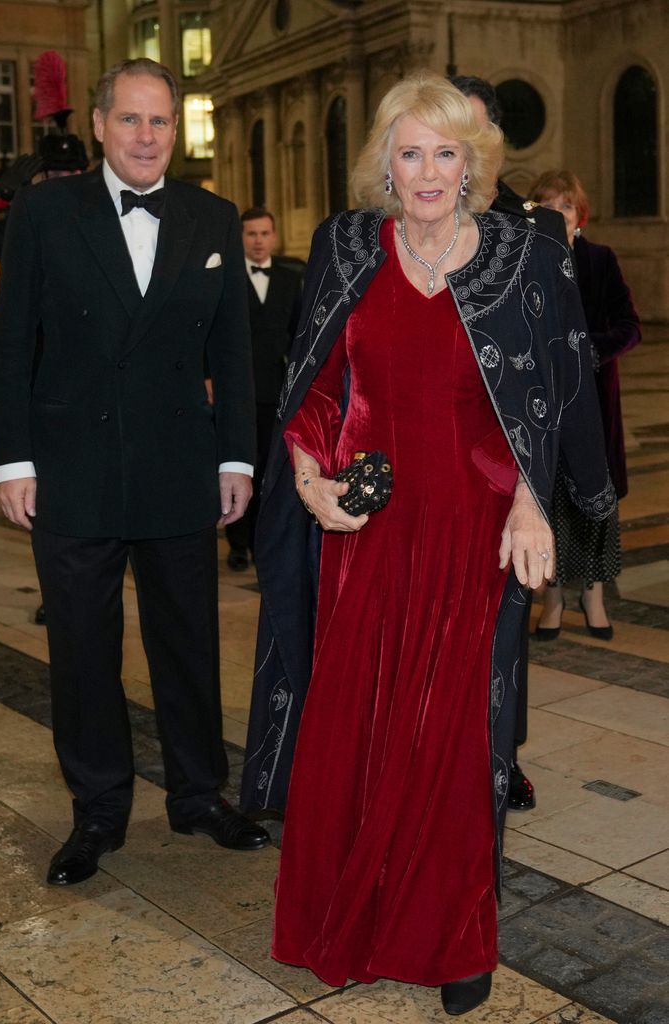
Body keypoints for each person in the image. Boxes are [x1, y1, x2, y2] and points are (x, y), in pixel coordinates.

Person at [241, 72, 615, 1014]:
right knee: (360, 725)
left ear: (474, 163)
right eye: (409, 152)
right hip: (367, 529)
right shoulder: (344, 247)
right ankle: (354, 914)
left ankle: (454, 938)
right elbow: (317, 381)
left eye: (446, 152)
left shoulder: (524, 258)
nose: (428, 170)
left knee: (456, 740)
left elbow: (551, 393)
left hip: (476, 530)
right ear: (385, 163)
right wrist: (310, 474)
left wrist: (536, 504)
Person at [0, 57, 270, 888]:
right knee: (82, 648)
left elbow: (232, 353)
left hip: (181, 467)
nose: (147, 136)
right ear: (104, 125)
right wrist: (12, 459)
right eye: (132, 120)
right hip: (71, 468)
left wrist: (235, 455)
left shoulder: (211, 216)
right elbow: (10, 345)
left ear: (174, 132)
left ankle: (197, 794)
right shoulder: (45, 212)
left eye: (161, 122)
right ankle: (99, 808)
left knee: (185, 639)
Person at [450, 74, 570, 812]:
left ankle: (501, 756)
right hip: (430, 463)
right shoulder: (402, 228)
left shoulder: (534, 232)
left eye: (465, 134)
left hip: (507, 467)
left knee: (505, 628)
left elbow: (563, 360)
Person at [528, 170, 641, 641]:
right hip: (544, 405)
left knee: (594, 502)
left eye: (566, 206)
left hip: (593, 401)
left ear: (580, 215)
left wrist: (586, 350)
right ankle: (552, 599)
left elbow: (629, 326)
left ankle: (593, 596)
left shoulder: (600, 259)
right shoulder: (526, 261)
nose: (559, 214)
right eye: (548, 206)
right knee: (549, 502)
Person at [225, 207, 302, 571]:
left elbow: (299, 335)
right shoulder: (227, 277)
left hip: (278, 389)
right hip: (237, 390)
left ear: (274, 236)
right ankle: (238, 543)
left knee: (273, 469)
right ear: (241, 237)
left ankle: (267, 541)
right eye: (251, 234)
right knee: (240, 466)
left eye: (264, 234)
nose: (258, 241)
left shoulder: (291, 280)